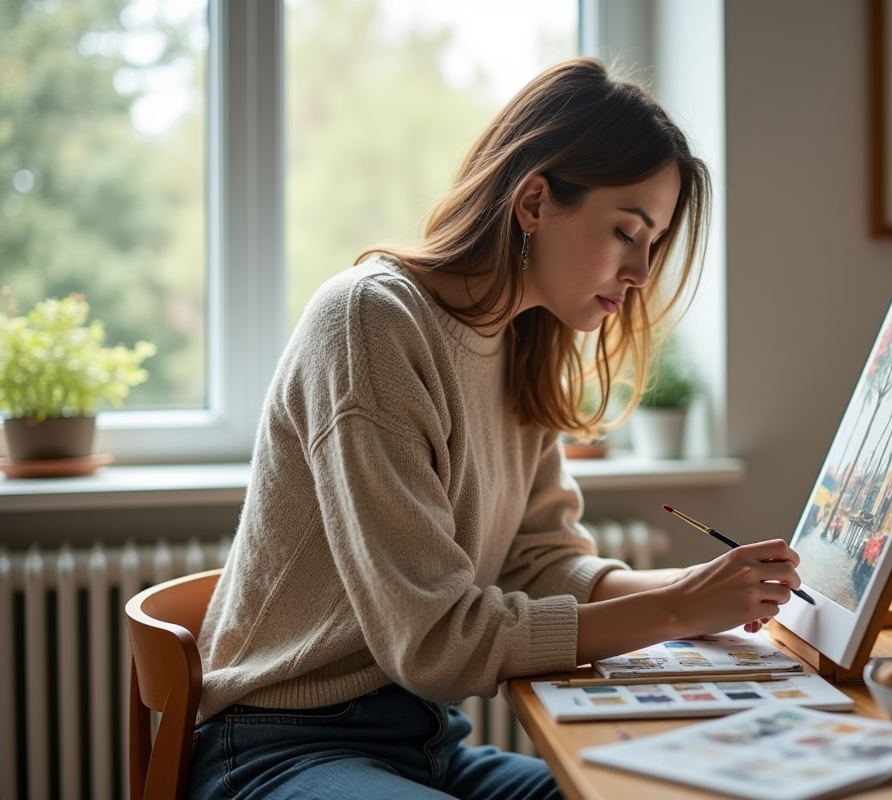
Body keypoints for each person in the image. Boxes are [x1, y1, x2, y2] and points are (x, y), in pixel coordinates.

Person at [187, 57, 803, 800]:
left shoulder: (522, 343)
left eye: (655, 243)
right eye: (626, 231)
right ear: (535, 201)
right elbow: (435, 639)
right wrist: (675, 610)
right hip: (282, 747)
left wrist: (699, 589)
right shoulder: (371, 323)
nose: (641, 271)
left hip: (427, 746)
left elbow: (539, 563)